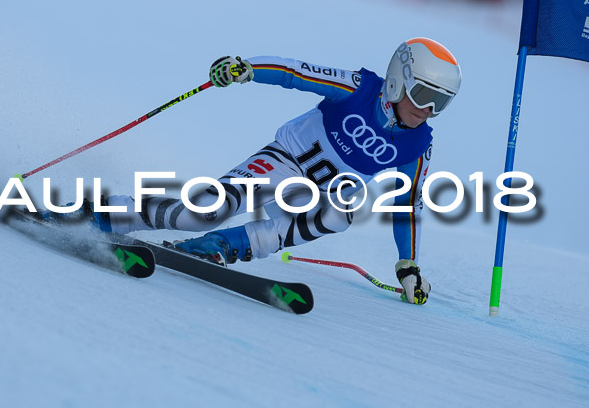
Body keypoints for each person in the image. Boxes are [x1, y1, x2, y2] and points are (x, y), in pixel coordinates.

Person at [63, 38, 462, 305]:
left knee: (340, 212)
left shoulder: (417, 143)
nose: (427, 110)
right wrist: (246, 68)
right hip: (284, 160)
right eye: (424, 95)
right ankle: (96, 214)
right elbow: (297, 72)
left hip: (318, 194)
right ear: (399, 80)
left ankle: (214, 248)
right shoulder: (360, 88)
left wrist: (408, 266)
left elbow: (408, 204)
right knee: (203, 210)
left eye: (440, 104)